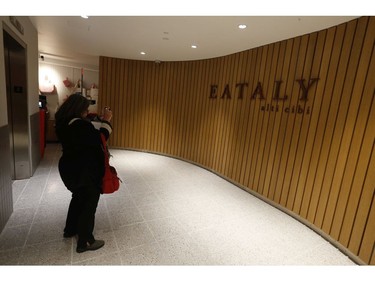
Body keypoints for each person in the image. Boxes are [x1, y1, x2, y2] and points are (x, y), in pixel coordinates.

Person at [55, 93, 113, 253]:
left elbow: (86, 134)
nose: (88, 112)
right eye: (86, 109)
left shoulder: (64, 122)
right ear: (79, 109)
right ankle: (85, 241)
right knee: (89, 203)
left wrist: (97, 119)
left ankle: (70, 229)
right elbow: (100, 138)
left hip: (70, 168)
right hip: (84, 170)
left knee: (78, 197)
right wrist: (107, 120)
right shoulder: (80, 126)